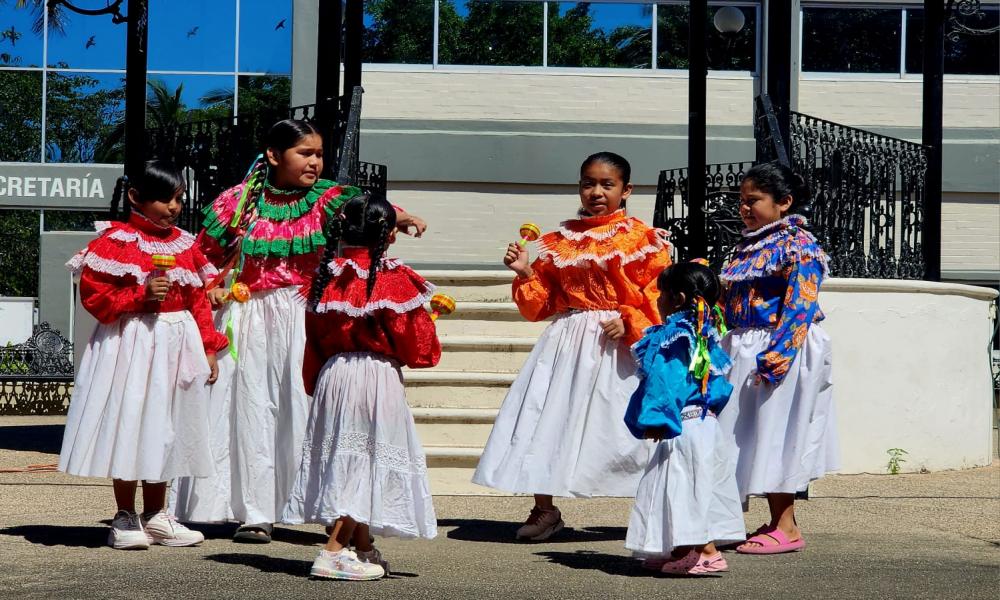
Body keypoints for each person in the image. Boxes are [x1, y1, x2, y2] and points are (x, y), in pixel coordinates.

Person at [169, 119, 426, 543]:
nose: (314, 162)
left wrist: (401, 216)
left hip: (306, 313)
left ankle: (324, 506)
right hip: (250, 316)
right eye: (304, 153)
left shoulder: (328, 198)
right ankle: (257, 511)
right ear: (274, 155)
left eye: (319, 154)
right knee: (254, 411)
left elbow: (367, 212)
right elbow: (203, 256)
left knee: (307, 410)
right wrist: (211, 286)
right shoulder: (238, 203)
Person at [472, 151, 672, 540]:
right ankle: (544, 509)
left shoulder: (642, 239)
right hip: (568, 338)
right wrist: (526, 272)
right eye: (588, 183)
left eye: (607, 184)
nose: (596, 192)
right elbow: (540, 304)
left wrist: (630, 319)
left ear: (626, 190)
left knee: (630, 426)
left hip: (620, 342)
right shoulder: (562, 241)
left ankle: (656, 507)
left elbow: (658, 291)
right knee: (546, 419)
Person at [60, 160, 227, 549]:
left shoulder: (185, 244)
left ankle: (156, 514)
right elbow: (95, 297)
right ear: (136, 197)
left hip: (176, 342)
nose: (174, 207)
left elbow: (198, 300)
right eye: (165, 199)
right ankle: (124, 515)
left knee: (167, 424)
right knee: (131, 421)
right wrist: (140, 295)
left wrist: (208, 347)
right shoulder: (115, 242)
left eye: (178, 198)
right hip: (132, 342)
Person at [282, 193, 439, 580]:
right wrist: (428, 330)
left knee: (353, 456)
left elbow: (313, 341)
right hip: (373, 376)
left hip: (334, 375)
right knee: (363, 460)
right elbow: (418, 347)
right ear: (389, 234)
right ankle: (333, 552)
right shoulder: (392, 279)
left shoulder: (326, 277)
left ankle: (363, 545)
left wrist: (315, 383)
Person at [718, 161, 838, 554]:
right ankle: (729, 520)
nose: (744, 207)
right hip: (744, 345)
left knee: (776, 432)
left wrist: (777, 357)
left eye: (753, 200)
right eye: (741, 200)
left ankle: (786, 525)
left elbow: (800, 306)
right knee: (741, 435)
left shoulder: (798, 246)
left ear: (783, 202)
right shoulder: (747, 246)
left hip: (778, 346)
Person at [623, 261, 744, 575]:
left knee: (684, 487)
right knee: (693, 485)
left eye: (661, 294)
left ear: (676, 298)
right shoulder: (704, 333)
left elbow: (664, 380)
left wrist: (656, 418)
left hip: (683, 425)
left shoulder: (673, 336)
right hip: (703, 422)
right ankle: (681, 549)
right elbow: (718, 384)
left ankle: (707, 552)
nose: (657, 300)